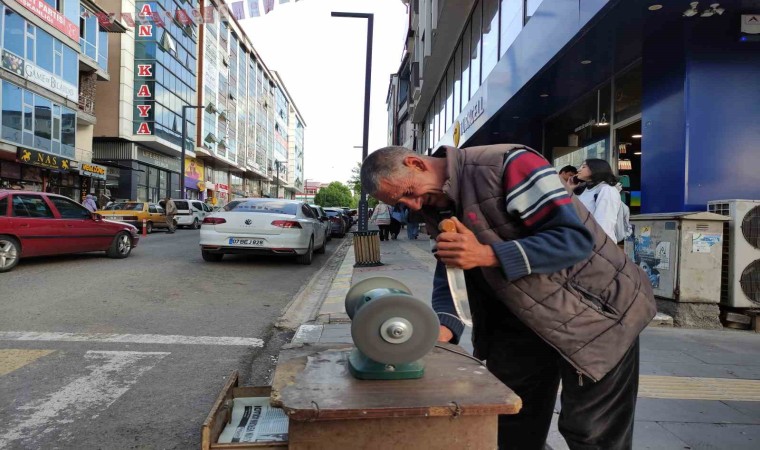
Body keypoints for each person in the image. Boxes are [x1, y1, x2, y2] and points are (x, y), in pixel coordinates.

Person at [361, 145, 656, 450]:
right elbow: (452, 264)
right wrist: (444, 326)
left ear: (415, 163)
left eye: (409, 192)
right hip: (520, 320)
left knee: (591, 432)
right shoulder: (436, 203)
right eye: (402, 202)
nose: (413, 204)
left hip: (596, 316)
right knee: (510, 420)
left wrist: (487, 254)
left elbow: (574, 240)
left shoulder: (507, 165)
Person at [567, 159, 625, 243]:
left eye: (583, 167)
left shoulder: (607, 190)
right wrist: (569, 190)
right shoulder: (584, 190)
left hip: (597, 245)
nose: (579, 170)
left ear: (596, 169)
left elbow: (604, 223)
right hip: (582, 241)